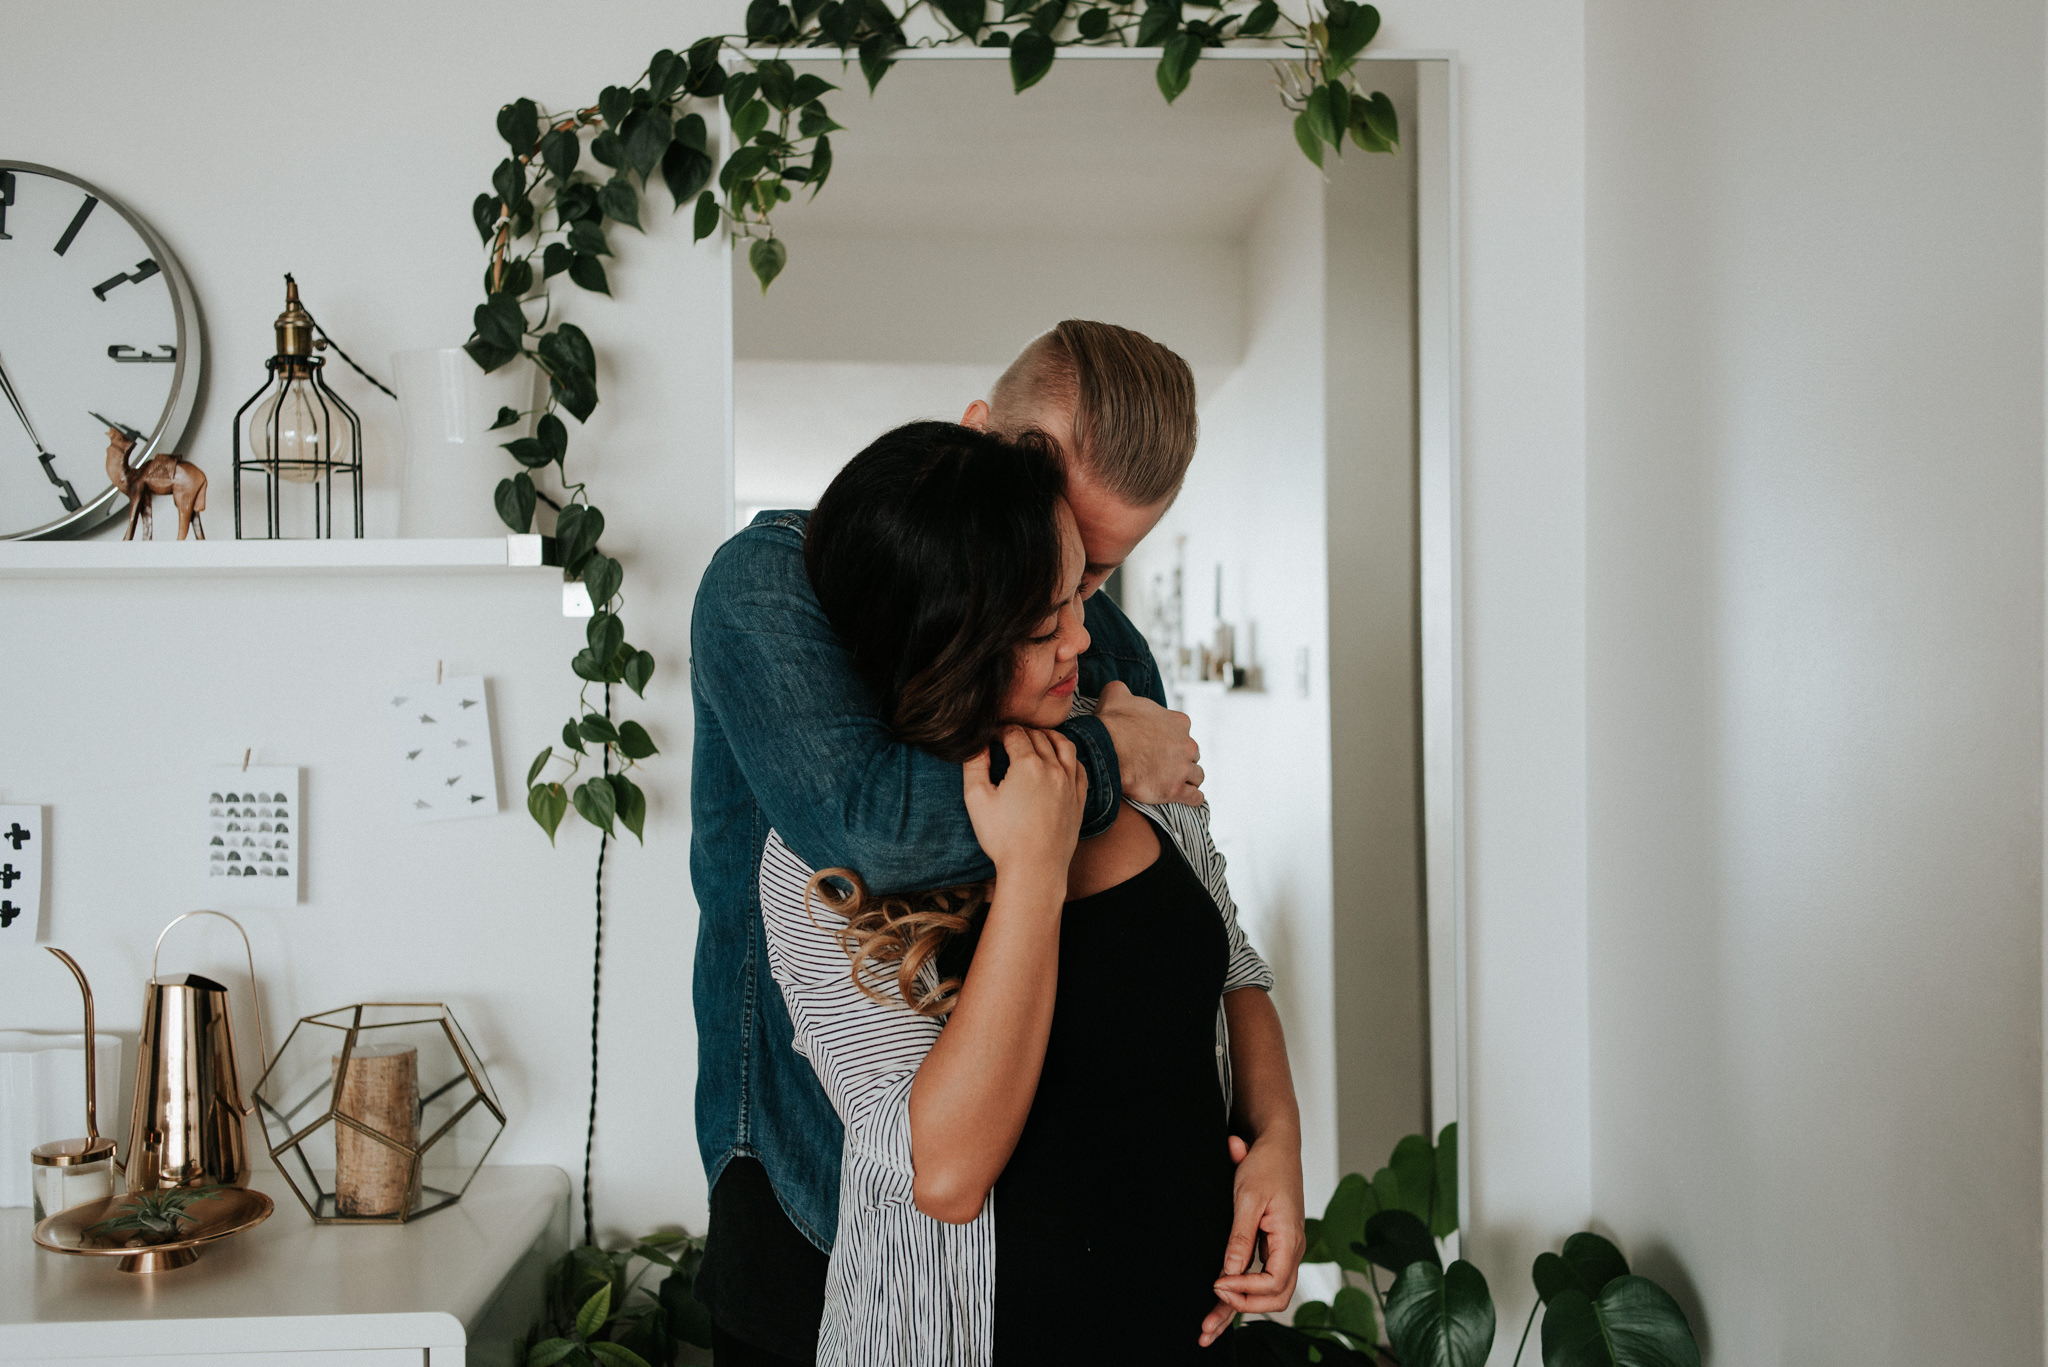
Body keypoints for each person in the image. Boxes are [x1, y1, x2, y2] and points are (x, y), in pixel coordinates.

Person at [689, 321, 1303, 1365]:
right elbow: (873, 829)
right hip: (819, 1201)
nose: (1072, 616)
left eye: (1090, 574)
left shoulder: (1103, 647)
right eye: (1031, 591)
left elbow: (1206, 931)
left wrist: (1270, 1138)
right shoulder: (773, 586)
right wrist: (1104, 761)